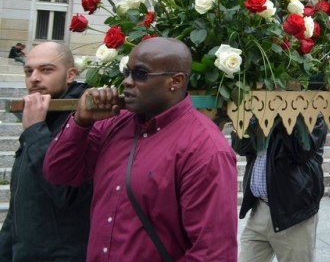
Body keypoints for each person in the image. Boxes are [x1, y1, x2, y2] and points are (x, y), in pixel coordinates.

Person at [43, 37, 238, 262]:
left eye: (140, 74)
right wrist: (80, 123)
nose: (126, 82)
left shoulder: (205, 149)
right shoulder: (113, 123)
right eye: (127, 72)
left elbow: (214, 253)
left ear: (175, 80)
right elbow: (58, 173)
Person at [0, 42, 91, 262]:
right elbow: (20, 203)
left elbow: (65, 192)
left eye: (46, 69)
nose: (34, 78)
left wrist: (34, 131)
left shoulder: (82, 122)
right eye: (28, 71)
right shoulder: (42, 116)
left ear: (70, 75)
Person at [232, 111, 327, 262]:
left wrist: (283, 113)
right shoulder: (258, 112)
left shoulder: (314, 114)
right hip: (259, 210)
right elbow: (240, 147)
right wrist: (248, 120)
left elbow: (302, 152)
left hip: (294, 214)